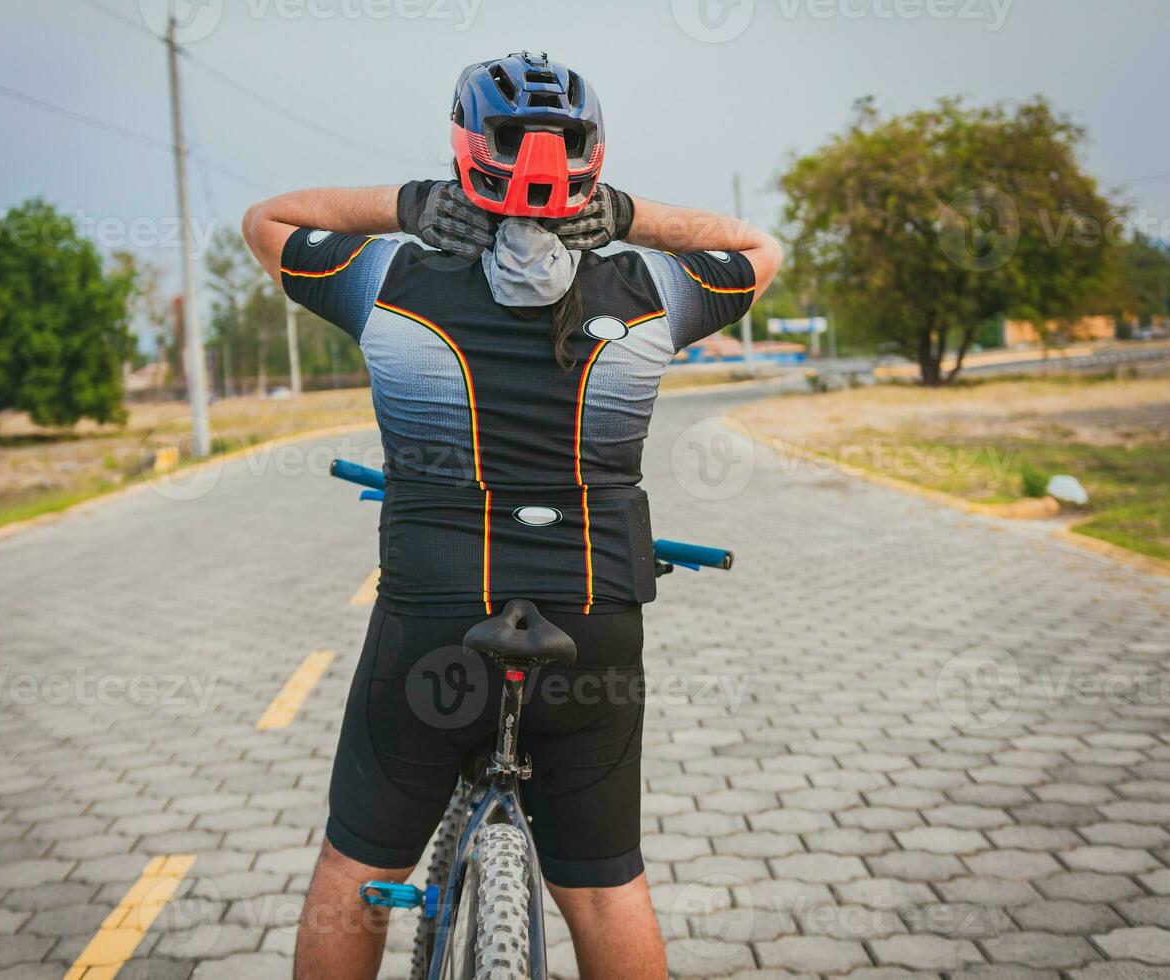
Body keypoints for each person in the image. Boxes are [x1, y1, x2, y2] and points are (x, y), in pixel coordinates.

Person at [243, 51, 782, 980]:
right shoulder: (653, 296)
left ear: (466, 156)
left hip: (434, 621)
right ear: (592, 162)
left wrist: (412, 205)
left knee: (359, 867)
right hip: (593, 617)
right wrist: (625, 216)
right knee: (608, 885)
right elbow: (759, 248)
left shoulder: (388, 282)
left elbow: (267, 222)